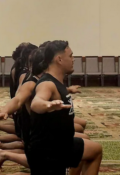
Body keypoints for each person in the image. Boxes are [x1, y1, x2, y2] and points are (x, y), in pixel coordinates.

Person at [27, 40, 102, 175]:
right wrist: (47, 105)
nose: (74, 60)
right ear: (59, 59)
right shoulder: (47, 84)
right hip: (47, 152)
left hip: (63, 144)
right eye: (71, 56)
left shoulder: (58, 82)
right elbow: (36, 102)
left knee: (95, 150)